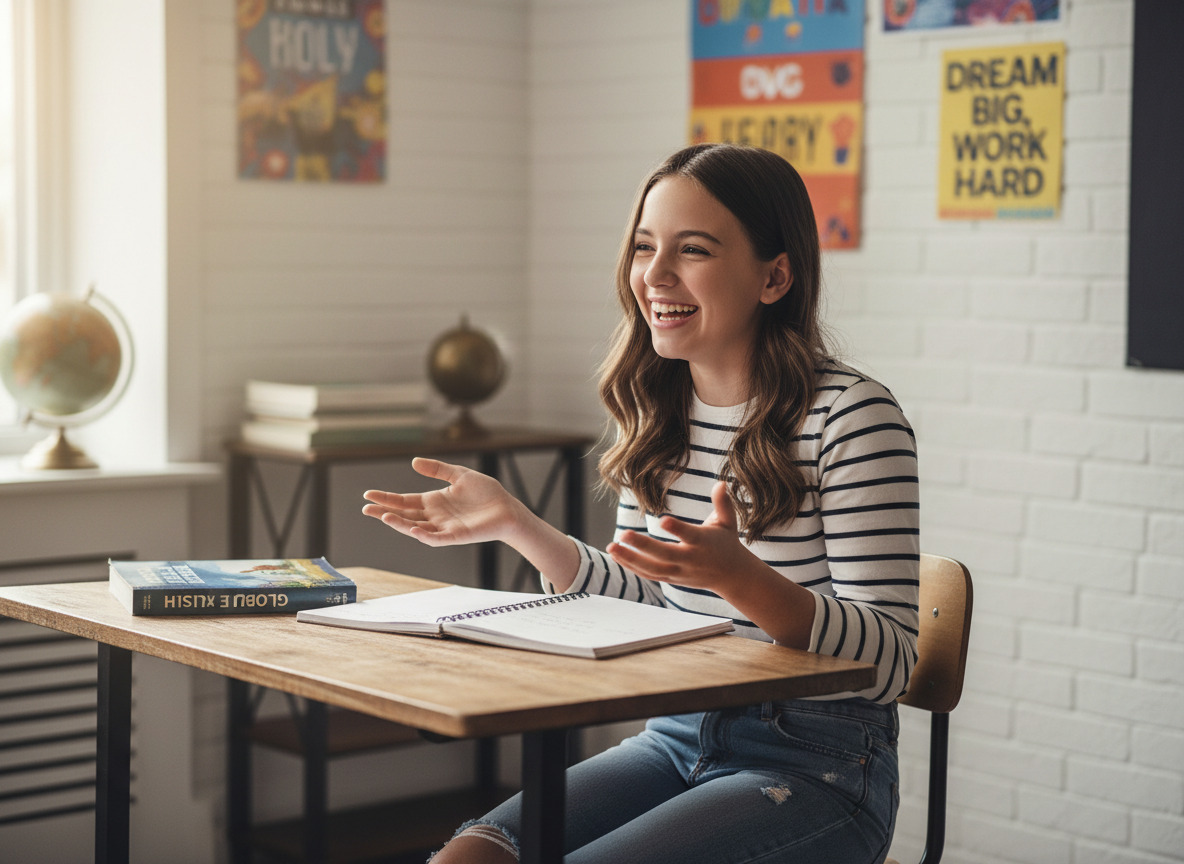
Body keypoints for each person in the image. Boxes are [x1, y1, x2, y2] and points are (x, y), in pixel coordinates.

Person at [362, 143, 920, 864]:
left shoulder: (852, 416)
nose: (654, 276)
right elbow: (648, 610)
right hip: (676, 734)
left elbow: (893, 664)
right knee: (472, 857)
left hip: (817, 761)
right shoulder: (657, 410)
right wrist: (518, 526)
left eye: (693, 250)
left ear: (775, 276)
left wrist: (741, 580)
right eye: (643, 247)